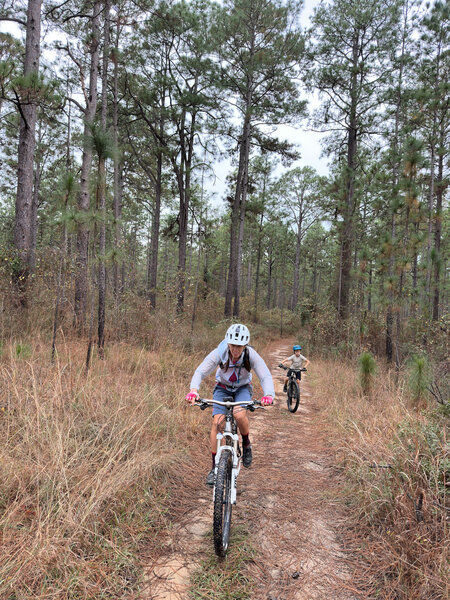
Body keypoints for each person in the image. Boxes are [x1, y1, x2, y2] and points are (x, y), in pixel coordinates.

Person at [186, 324, 274, 485]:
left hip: (242, 389)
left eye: (239, 346)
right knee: (217, 423)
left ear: (245, 345)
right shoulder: (220, 352)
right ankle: (214, 468)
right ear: (228, 343)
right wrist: (193, 391)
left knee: (239, 414)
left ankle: (246, 444)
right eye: (233, 345)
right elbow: (201, 371)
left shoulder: (250, 354)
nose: (235, 350)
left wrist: (268, 395)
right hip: (222, 389)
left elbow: (265, 376)